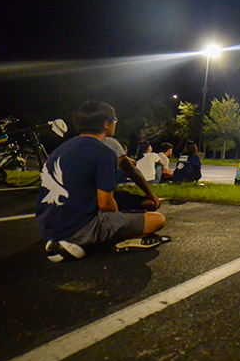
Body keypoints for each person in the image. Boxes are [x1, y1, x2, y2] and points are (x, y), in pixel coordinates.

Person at [36, 101, 167, 262]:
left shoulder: (61, 149)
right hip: (77, 228)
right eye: (114, 120)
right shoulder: (104, 152)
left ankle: (67, 239)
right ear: (106, 124)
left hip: (48, 226)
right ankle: (102, 241)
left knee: (124, 200)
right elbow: (105, 204)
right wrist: (117, 222)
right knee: (158, 219)